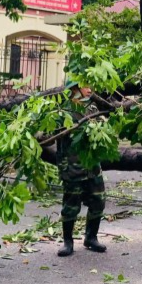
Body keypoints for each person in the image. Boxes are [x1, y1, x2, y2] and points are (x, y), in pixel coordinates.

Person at [55, 81, 106, 257]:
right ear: (74, 89)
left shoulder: (92, 108)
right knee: (71, 206)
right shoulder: (63, 112)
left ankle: (91, 237)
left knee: (98, 201)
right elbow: (54, 137)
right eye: (85, 86)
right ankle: (68, 242)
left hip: (92, 166)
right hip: (73, 166)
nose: (90, 89)